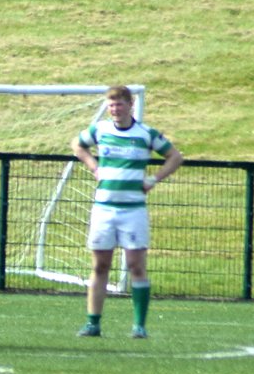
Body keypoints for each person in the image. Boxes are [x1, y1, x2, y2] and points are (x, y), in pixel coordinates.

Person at [72, 85, 184, 339]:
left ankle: (139, 326)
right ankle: (93, 323)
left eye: (119, 104)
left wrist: (153, 179)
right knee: (100, 265)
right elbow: (77, 145)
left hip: (133, 210)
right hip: (103, 209)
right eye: (111, 105)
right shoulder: (100, 130)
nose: (115, 109)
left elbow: (175, 157)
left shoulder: (145, 134)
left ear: (130, 105)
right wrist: (93, 166)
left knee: (136, 265)